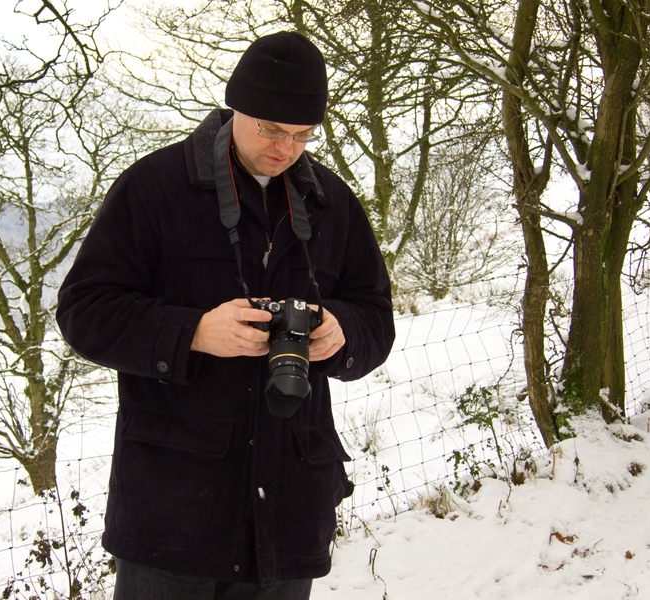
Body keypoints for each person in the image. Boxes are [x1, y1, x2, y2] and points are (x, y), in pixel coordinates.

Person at [56, 31, 395, 599]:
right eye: (270, 129)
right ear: (236, 106)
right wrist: (192, 333)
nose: (286, 149)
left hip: (288, 511)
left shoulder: (332, 205)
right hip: (173, 514)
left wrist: (342, 332)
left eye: (303, 135)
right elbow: (83, 309)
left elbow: (375, 320)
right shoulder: (155, 188)